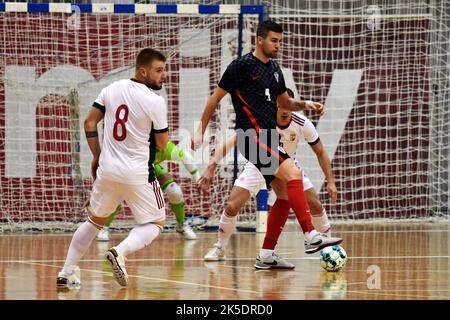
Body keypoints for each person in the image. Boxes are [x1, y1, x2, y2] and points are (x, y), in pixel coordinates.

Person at [191, 20, 342, 257]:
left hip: (269, 139)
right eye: (273, 40)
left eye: (280, 41)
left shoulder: (274, 69)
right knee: (293, 174)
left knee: (283, 194)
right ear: (259, 39)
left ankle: (267, 254)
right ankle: (311, 235)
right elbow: (215, 98)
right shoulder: (241, 66)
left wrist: (305, 104)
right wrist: (200, 130)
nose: (277, 45)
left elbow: (284, 102)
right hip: (251, 135)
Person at [56, 48, 169, 289]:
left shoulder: (110, 89)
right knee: (156, 223)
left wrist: (96, 155)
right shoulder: (155, 101)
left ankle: (66, 271)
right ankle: (120, 251)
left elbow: (89, 122)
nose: (163, 76)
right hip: (138, 172)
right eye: (159, 71)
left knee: (94, 221)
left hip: (107, 170)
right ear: (143, 71)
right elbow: (162, 144)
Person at [199, 88, 336, 269]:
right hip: (258, 164)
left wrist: (331, 181)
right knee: (232, 205)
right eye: (282, 104)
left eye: (289, 104)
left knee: (315, 204)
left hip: (288, 165)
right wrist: (210, 168)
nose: (286, 109)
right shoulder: (263, 120)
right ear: (275, 105)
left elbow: (321, 152)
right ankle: (220, 247)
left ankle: (329, 249)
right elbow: (232, 142)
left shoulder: (302, 123)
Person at [96, 140, 200, 241]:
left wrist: (198, 179)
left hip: (151, 169)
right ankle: (104, 227)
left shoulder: (165, 146)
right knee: (118, 195)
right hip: (130, 170)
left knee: (175, 192)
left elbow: (186, 157)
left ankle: (181, 225)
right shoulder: (135, 146)